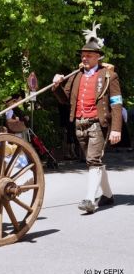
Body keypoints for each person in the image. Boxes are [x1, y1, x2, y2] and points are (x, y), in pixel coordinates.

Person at [52, 22, 122, 214]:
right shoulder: (75, 76)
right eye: (83, 55)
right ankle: (107, 195)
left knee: (92, 160)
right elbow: (65, 100)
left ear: (98, 57)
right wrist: (57, 86)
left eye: (89, 55)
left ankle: (90, 200)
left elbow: (116, 103)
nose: (84, 58)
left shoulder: (109, 76)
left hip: (98, 124)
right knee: (97, 160)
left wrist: (116, 128)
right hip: (79, 123)